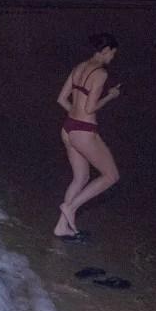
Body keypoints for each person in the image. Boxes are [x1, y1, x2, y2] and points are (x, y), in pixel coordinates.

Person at [53, 32, 123, 240]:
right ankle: (71, 207)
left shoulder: (79, 67)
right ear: (106, 50)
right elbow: (90, 107)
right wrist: (110, 96)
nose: (112, 58)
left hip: (68, 128)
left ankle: (61, 227)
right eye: (113, 54)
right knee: (111, 176)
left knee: (81, 178)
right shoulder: (100, 73)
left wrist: (75, 118)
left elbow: (61, 99)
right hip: (83, 130)